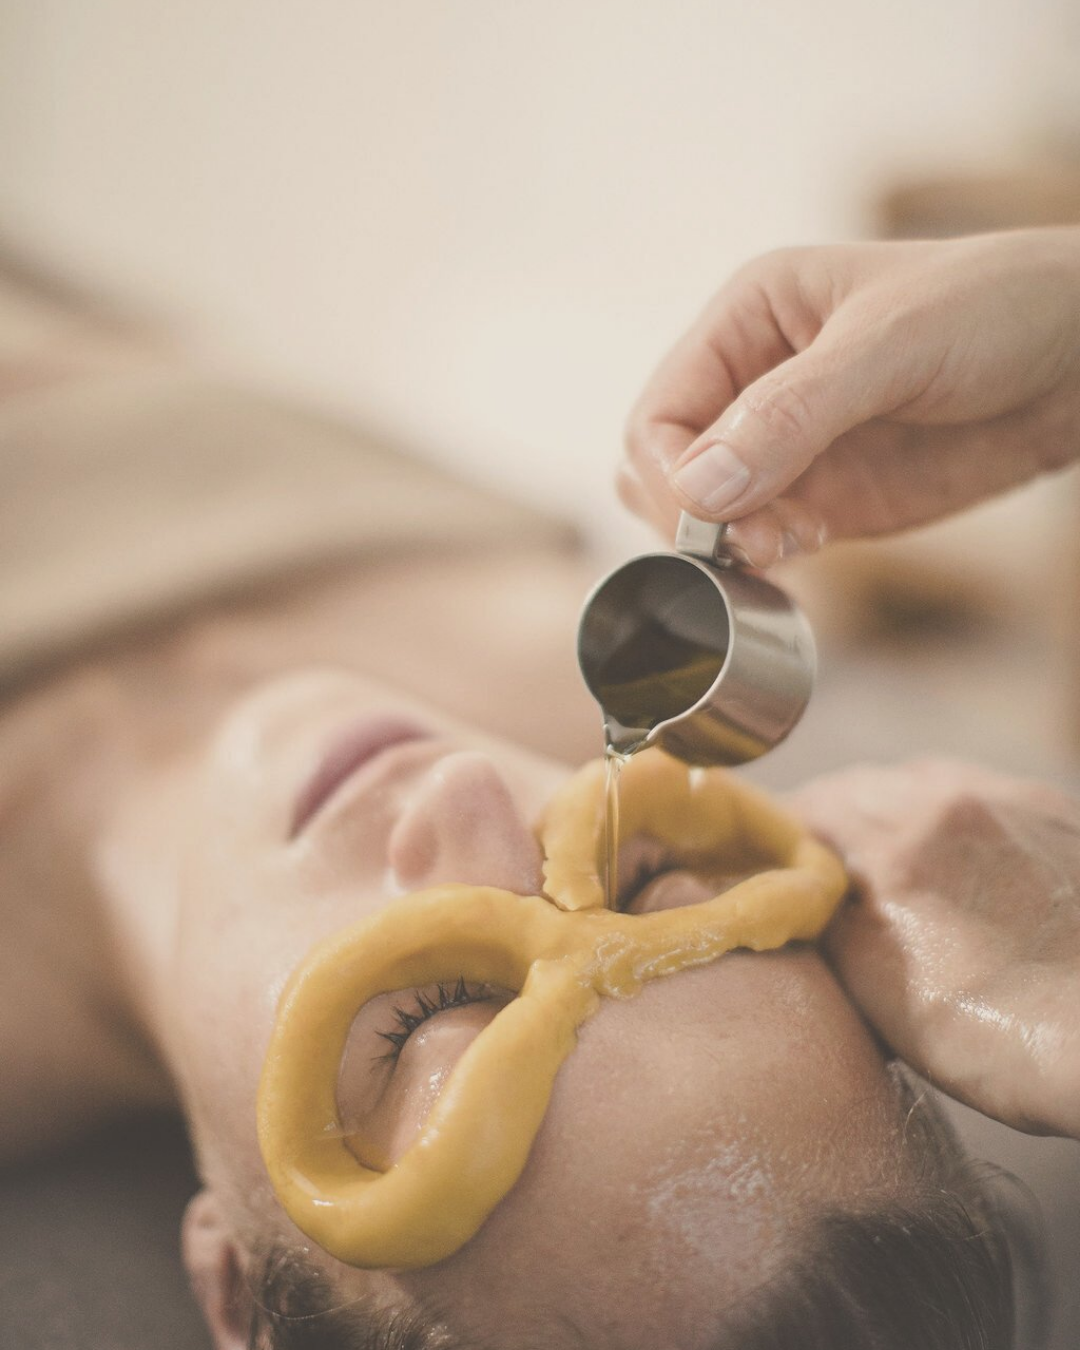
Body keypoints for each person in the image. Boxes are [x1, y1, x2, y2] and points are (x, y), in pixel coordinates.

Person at [0, 228, 1075, 1350]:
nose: (462, 788)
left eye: (423, 1012)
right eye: (649, 873)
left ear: (239, 1297)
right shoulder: (579, 650)